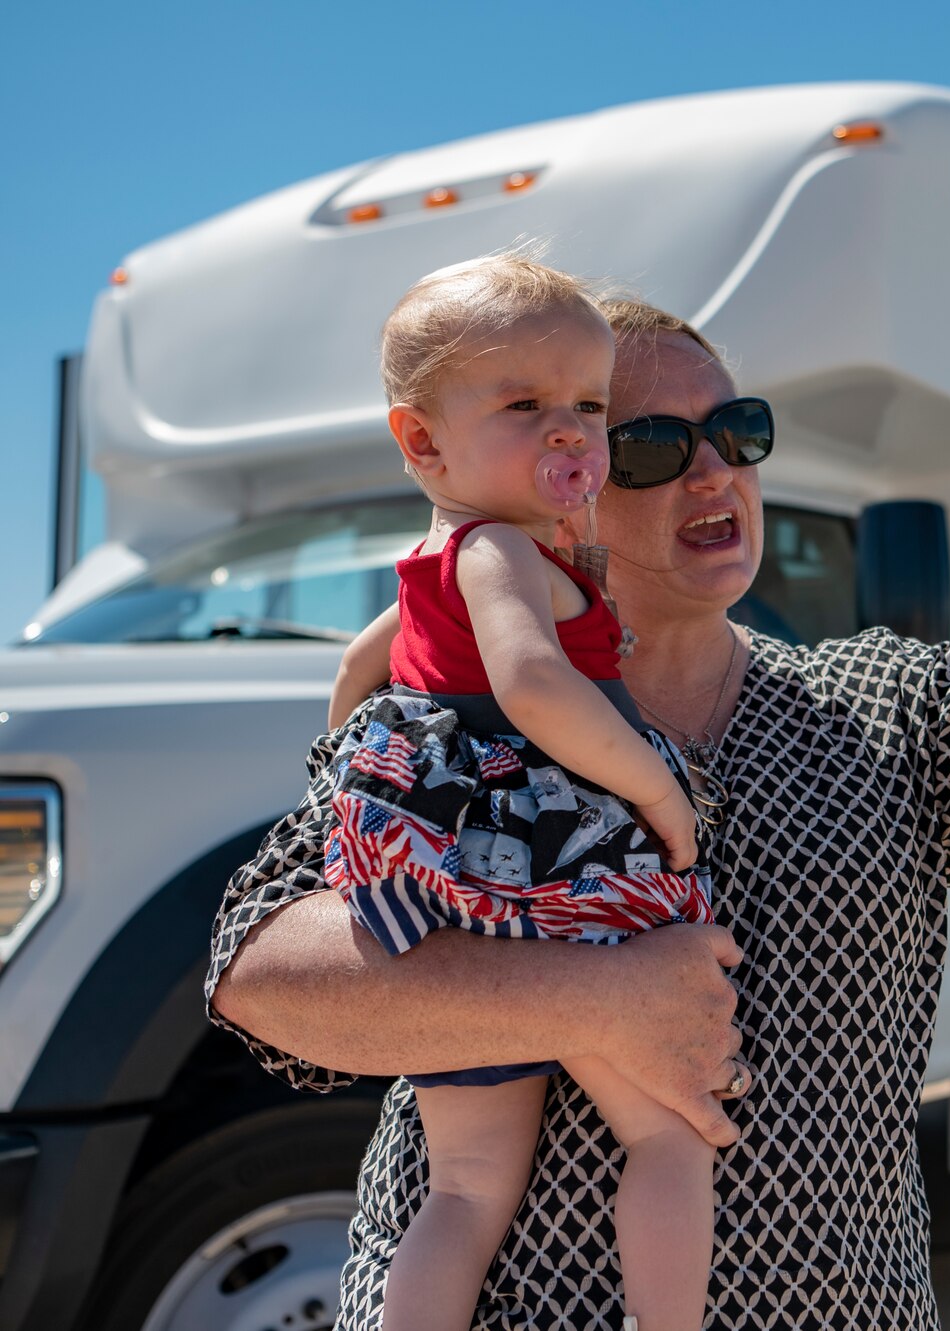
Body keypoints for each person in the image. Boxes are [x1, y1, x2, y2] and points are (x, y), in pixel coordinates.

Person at [207, 265, 950, 1329]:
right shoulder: (445, 725)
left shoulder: (876, 700)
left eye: (736, 430)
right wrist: (596, 996)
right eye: (653, 446)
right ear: (556, 484)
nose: (714, 469)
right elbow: (262, 972)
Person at [312, 256, 723, 1331]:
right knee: (668, 1134)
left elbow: (364, 663)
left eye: (588, 405)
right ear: (421, 440)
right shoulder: (497, 549)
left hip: (455, 890)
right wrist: (657, 794)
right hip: (552, 864)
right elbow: (534, 681)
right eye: (524, 403)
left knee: (463, 1188)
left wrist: (345, 767)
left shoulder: (443, 552)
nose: (570, 431)